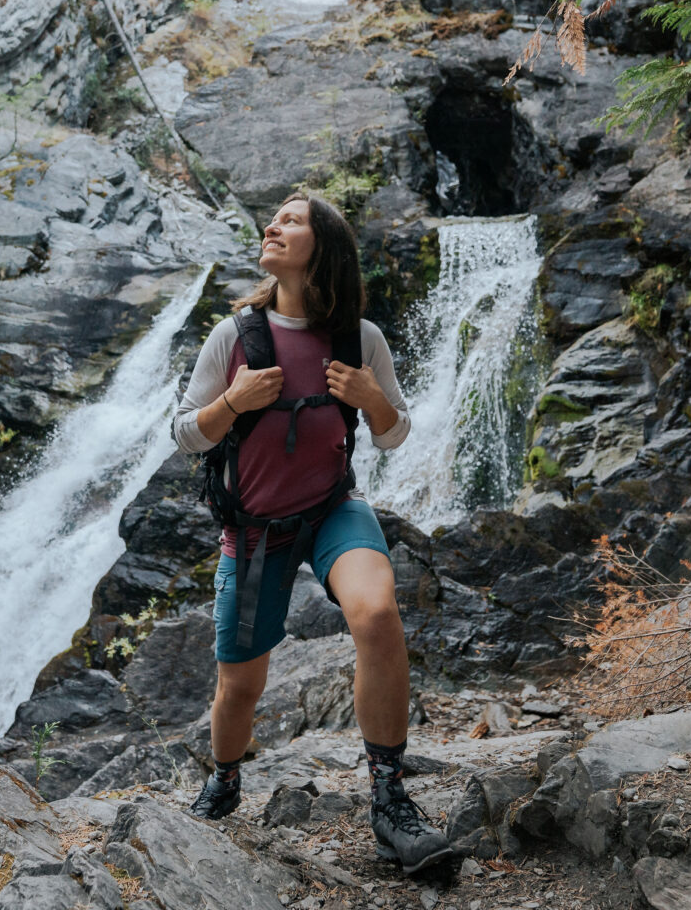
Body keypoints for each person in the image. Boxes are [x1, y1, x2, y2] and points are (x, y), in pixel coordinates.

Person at [170, 192, 456, 875]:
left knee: (378, 615)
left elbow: (392, 436)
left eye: (291, 220)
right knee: (239, 687)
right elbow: (185, 435)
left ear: (322, 247)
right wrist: (232, 402)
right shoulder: (235, 337)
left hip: (333, 510)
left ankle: (389, 801)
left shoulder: (361, 338)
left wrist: (371, 397)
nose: (273, 225)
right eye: (275, 219)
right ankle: (226, 777)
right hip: (255, 530)